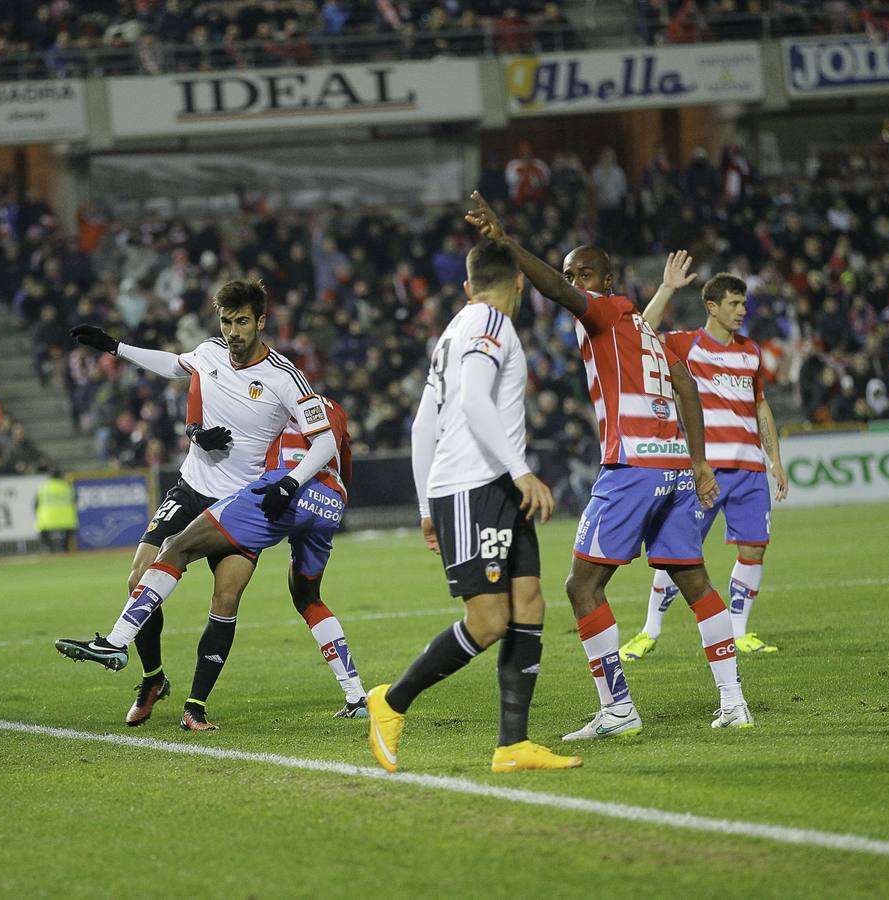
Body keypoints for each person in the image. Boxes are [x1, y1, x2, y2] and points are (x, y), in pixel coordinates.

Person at [465, 192, 755, 738]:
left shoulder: (601, 313)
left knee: (582, 587)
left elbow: (551, 287)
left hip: (634, 467)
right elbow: (687, 385)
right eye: (572, 271)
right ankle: (734, 701)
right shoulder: (642, 328)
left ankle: (618, 710)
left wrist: (504, 242)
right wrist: (698, 461)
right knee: (693, 579)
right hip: (672, 468)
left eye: (584, 272)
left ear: (607, 279)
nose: (574, 279)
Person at [56, 279, 366, 727]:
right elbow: (173, 365)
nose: (233, 331)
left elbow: (324, 439)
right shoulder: (209, 352)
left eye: (242, 321)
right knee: (138, 577)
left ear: (261, 322)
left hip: (241, 499)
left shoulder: (285, 377)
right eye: (226, 321)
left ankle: (195, 706)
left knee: (226, 597)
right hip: (192, 487)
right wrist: (114, 347)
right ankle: (152, 677)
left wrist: (292, 482)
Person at [366, 240, 582, 775]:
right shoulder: (492, 326)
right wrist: (522, 470)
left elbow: (423, 424)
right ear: (519, 284)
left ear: (467, 286)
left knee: (528, 602)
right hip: (475, 485)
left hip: (483, 487)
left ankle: (513, 745)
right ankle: (391, 702)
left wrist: (423, 504)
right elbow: (472, 403)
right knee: (488, 621)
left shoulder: (454, 331)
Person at [621, 256, 789, 661]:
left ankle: (739, 631)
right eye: (734, 303)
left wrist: (774, 460)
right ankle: (649, 630)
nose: (742, 311)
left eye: (744, 304)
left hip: (749, 470)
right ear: (712, 307)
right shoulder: (686, 344)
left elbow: (760, 407)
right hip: (705, 470)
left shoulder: (751, 352)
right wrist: (667, 287)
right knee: (678, 550)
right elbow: (641, 331)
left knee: (753, 549)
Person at [35, 466, 78, 553]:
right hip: (66, 519)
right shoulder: (68, 487)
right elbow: (76, 500)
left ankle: (49, 549)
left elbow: (35, 504)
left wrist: (37, 515)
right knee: (68, 535)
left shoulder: (43, 487)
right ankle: (65, 549)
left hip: (47, 519)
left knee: (43, 534)